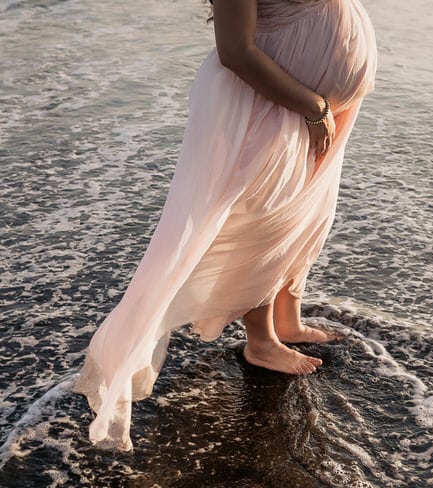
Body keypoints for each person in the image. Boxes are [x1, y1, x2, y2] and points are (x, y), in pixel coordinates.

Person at [75, 0, 377, 451]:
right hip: (275, 97)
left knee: (308, 212)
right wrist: (312, 105)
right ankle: (262, 342)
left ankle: (287, 315)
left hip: (318, 102)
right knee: (262, 221)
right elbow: (235, 51)